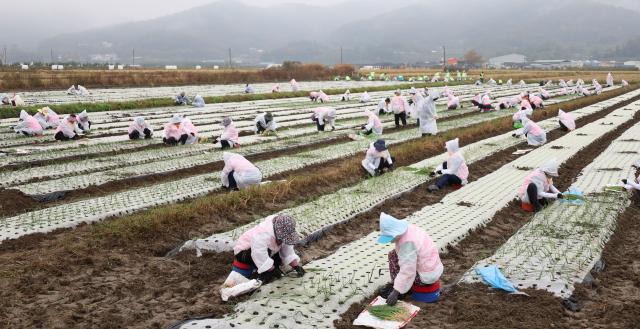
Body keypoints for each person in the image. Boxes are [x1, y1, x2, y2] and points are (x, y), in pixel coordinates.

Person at [377, 213, 443, 306]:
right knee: (393, 254)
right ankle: (401, 286)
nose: (390, 240)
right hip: (433, 266)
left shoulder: (407, 243)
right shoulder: (409, 229)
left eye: (390, 237)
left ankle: (401, 291)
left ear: (396, 233)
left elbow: (408, 271)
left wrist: (396, 292)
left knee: (395, 258)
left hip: (426, 276)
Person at [232, 214, 304, 284]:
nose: (283, 240)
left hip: (263, 250)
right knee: (268, 253)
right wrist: (271, 269)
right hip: (244, 251)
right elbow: (258, 253)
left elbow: (287, 250)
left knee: (277, 253)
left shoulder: (283, 234)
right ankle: (262, 275)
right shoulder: (262, 235)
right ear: (278, 233)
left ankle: (272, 270)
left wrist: (296, 266)